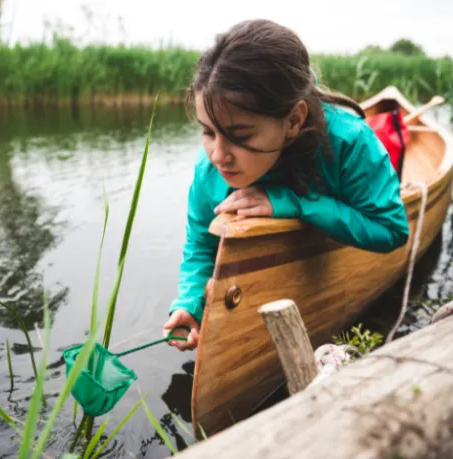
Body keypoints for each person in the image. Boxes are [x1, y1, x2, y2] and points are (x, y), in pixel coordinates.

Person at [162, 19, 410, 351]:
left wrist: (295, 203)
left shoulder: (351, 142)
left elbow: (391, 230)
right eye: (208, 132)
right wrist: (189, 303)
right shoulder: (209, 169)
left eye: (239, 136)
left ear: (293, 120)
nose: (219, 155)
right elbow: (200, 244)